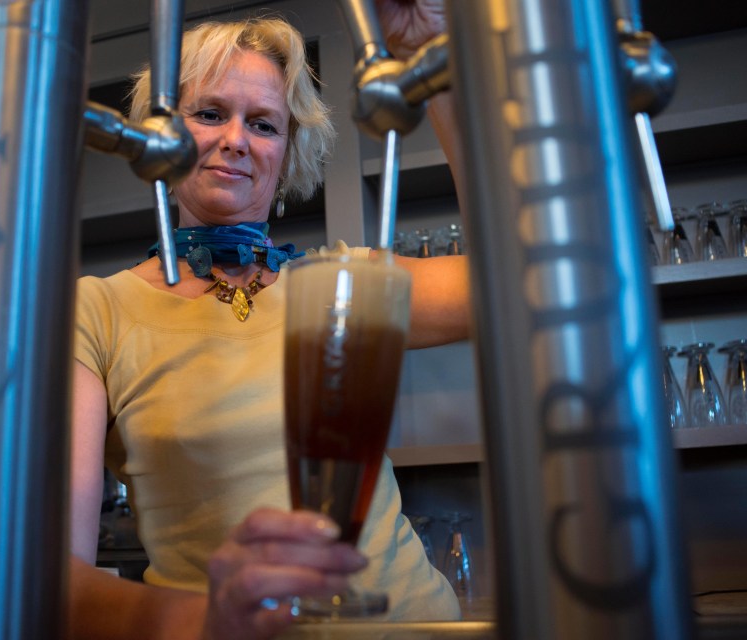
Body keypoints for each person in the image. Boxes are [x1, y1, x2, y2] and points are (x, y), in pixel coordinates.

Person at [68, 2, 468, 639]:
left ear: (287, 153)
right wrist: (203, 620)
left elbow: (527, 276)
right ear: (159, 138)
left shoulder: (347, 283)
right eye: (208, 113)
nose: (235, 139)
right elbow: (56, 583)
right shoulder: (96, 311)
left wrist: (439, 68)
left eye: (263, 124)